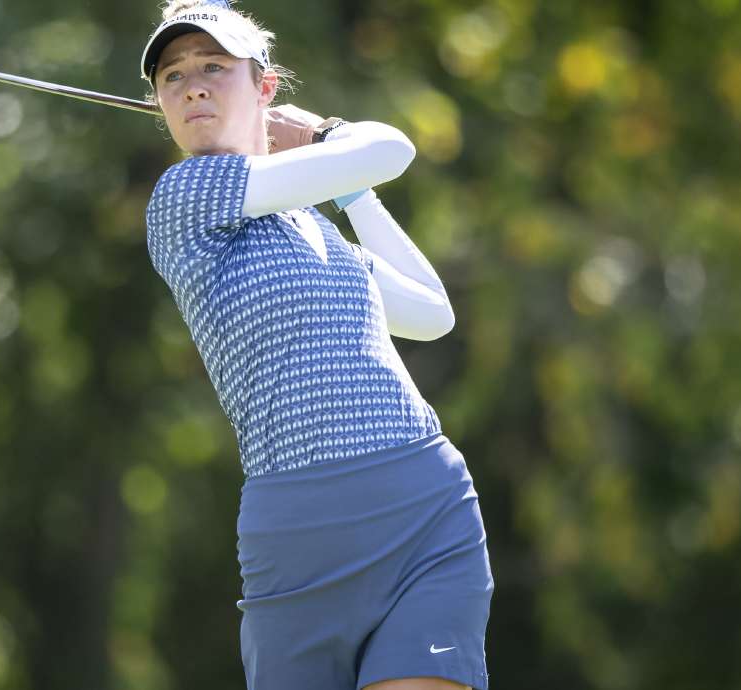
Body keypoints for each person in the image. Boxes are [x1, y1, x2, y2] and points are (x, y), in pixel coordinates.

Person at [139, 2, 494, 689]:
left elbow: (432, 312)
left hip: (425, 503)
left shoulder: (309, 225)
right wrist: (327, 136)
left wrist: (353, 193)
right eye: (173, 77)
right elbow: (393, 147)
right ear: (161, 104)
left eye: (214, 67)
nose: (193, 87)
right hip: (302, 529)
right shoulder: (185, 195)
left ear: (265, 87)